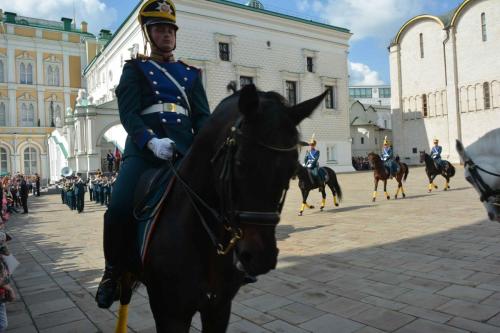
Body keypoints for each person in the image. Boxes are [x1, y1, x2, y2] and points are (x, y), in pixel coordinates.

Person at [95, 0, 211, 309]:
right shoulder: (134, 69)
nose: (167, 34)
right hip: (145, 153)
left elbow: (201, 117)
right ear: (149, 33)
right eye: (160, 29)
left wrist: (208, 144)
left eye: (170, 29)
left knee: (222, 196)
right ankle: (112, 272)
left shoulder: (191, 74)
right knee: (118, 207)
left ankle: (235, 259)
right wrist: (150, 141)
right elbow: (129, 114)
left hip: (183, 150)